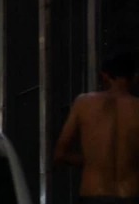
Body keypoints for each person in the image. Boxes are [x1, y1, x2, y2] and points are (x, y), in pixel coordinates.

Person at [55, 52, 139, 203]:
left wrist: (91, 160)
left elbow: (60, 154)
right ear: (134, 77)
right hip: (131, 194)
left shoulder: (84, 103)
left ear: (105, 76)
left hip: (93, 193)